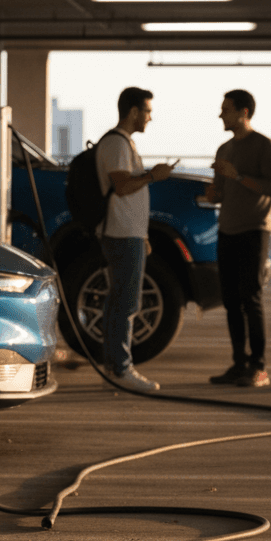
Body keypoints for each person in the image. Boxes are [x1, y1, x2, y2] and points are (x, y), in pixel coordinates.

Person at [96, 87, 175, 391]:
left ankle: (114, 367)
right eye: (147, 111)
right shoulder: (117, 143)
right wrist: (154, 175)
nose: (150, 118)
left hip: (128, 233)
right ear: (133, 112)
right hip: (120, 233)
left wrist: (141, 234)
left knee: (119, 301)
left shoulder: (122, 142)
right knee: (126, 303)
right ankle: (121, 369)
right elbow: (122, 186)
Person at [205, 90, 271, 387]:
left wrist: (236, 176)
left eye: (226, 109)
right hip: (227, 230)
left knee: (252, 298)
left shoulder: (264, 146)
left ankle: (259, 366)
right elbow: (218, 194)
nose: (220, 114)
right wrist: (212, 192)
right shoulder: (223, 149)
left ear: (244, 112)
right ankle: (239, 363)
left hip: (255, 230)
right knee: (231, 300)